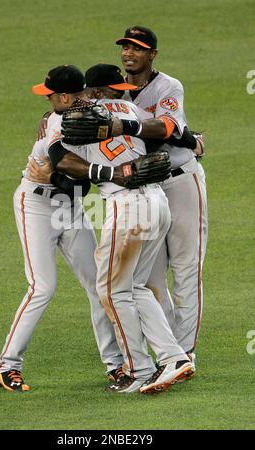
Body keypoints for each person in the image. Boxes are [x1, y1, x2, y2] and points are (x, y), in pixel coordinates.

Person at [29, 63, 194, 394]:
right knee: (134, 287)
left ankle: (139, 370)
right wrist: (194, 141)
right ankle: (172, 358)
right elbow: (165, 140)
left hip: (127, 207)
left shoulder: (73, 117)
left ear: (88, 91)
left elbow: (61, 159)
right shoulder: (132, 109)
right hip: (157, 204)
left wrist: (55, 132)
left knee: (111, 290)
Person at [0, 65, 126, 392]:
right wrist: (100, 174)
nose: (48, 100)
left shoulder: (91, 110)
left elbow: (74, 187)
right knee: (42, 287)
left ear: (67, 96)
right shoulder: (57, 120)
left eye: (51, 95)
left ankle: (117, 365)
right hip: (35, 205)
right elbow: (61, 160)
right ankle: (6, 365)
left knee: (99, 285)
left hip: (69, 207)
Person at [114, 26, 208, 368]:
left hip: (181, 182)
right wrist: (49, 116)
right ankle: (168, 350)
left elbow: (166, 129)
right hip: (147, 190)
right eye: (125, 47)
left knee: (186, 269)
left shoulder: (169, 86)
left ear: (152, 54)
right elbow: (77, 102)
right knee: (151, 277)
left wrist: (125, 126)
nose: (129, 53)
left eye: (137, 48)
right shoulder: (116, 92)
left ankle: (185, 352)